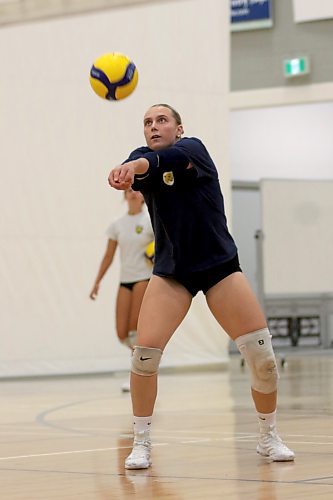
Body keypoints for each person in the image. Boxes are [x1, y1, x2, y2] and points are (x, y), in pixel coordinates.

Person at [108, 104, 295, 468]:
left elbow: (160, 164)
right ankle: (141, 442)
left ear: (179, 128)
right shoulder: (140, 159)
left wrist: (134, 168)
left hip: (219, 268)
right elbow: (141, 165)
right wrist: (125, 170)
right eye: (147, 123)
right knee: (144, 356)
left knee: (263, 359)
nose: (154, 126)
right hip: (172, 272)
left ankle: (268, 436)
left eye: (161, 120)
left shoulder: (193, 150)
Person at [89, 188, 154, 391]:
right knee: (122, 333)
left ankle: (138, 375)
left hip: (144, 278)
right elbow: (108, 256)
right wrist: (97, 281)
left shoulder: (150, 220)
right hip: (125, 280)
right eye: (128, 191)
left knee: (135, 332)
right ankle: (148, 359)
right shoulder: (117, 225)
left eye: (136, 190)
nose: (133, 193)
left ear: (143, 195)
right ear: (124, 196)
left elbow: (165, 243)